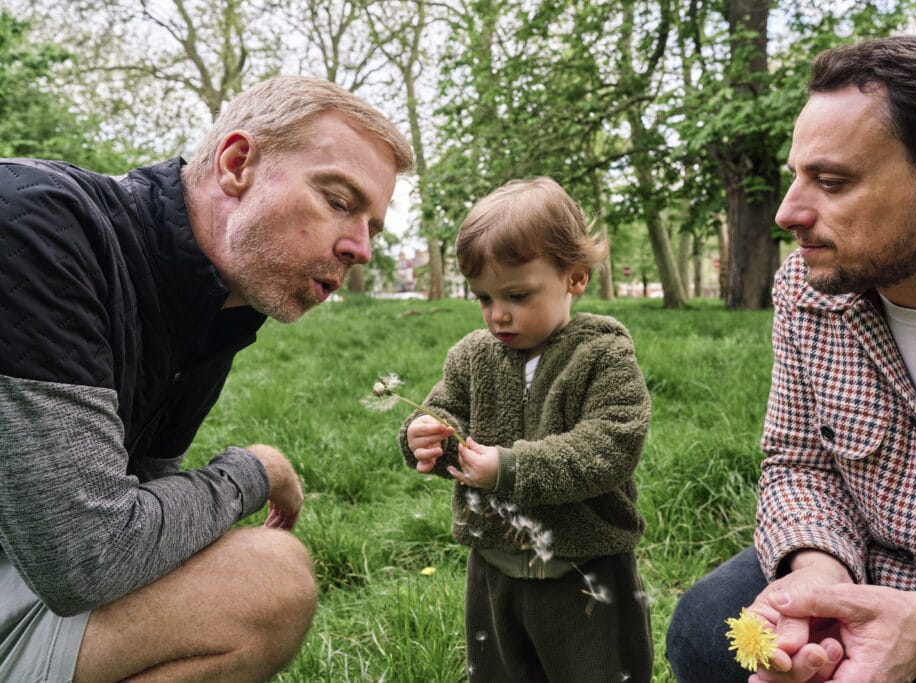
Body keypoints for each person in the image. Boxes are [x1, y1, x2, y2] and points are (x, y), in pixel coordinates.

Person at [0, 75, 414, 681]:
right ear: (237, 163)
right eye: (338, 200)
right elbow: (88, 555)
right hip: (39, 561)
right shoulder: (39, 226)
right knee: (271, 576)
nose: (361, 249)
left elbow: (137, 519)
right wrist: (256, 469)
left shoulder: (219, 313)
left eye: (372, 228)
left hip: (24, 559)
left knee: (261, 584)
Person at [665, 32, 916, 683]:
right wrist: (818, 581)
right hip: (874, 551)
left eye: (831, 181)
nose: (786, 213)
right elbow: (798, 459)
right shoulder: (806, 284)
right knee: (704, 627)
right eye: (796, 175)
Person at [398, 177, 653, 682]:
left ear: (574, 278)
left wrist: (511, 468)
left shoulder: (602, 354)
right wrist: (423, 435)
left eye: (516, 294)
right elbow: (446, 414)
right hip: (494, 565)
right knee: (498, 672)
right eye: (483, 298)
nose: (498, 315)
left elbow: (611, 444)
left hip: (585, 568)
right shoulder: (472, 356)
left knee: (599, 671)